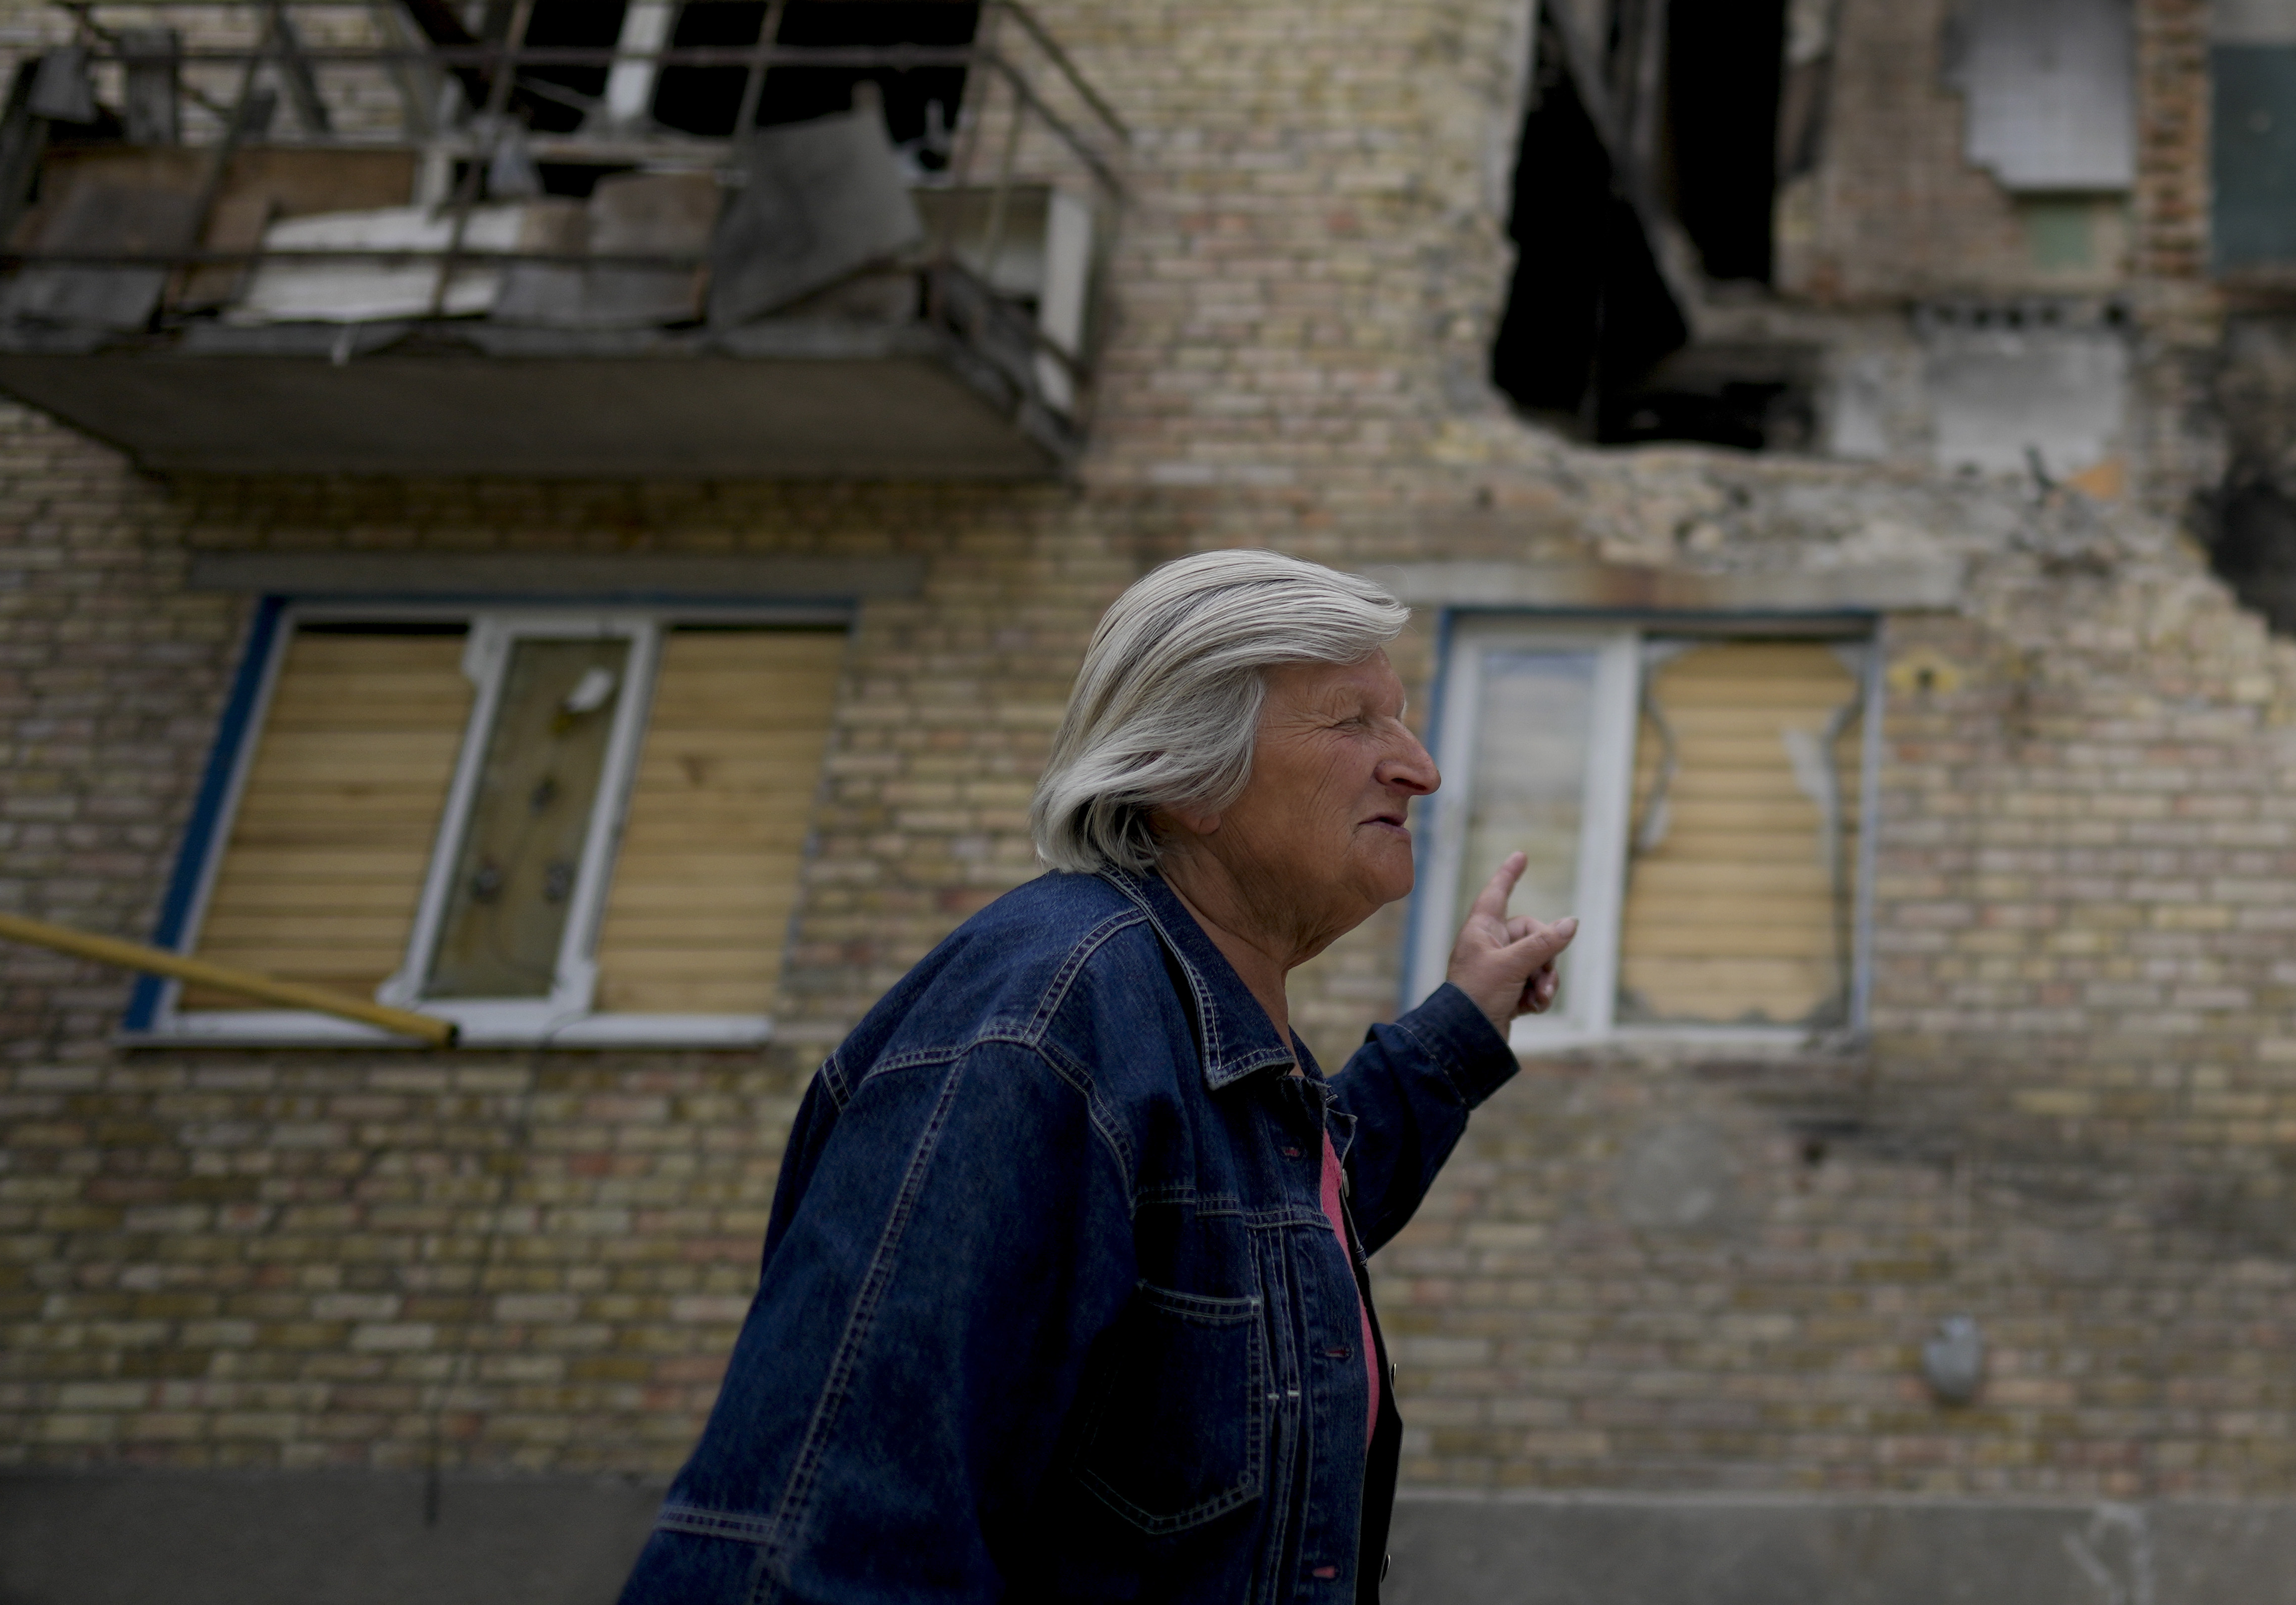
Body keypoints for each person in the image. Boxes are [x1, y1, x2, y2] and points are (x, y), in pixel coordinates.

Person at [617, 551, 1577, 1604]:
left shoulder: (1191, 1018)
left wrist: (1467, 1020)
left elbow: (1265, 1240)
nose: (1419, 767)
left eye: (1400, 720)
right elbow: (808, 1542)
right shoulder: (1042, 1022)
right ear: (1179, 774)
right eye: (1354, 721)